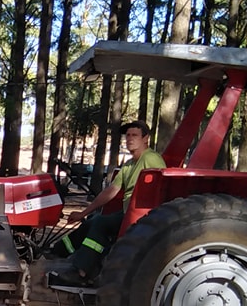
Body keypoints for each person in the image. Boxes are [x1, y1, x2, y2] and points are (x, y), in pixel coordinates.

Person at [50, 121, 166, 286]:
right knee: (91, 220)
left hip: (144, 217)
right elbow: (111, 190)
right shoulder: (129, 164)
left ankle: (83, 272)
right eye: (128, 135)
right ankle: (57, 252)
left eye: (135, 135)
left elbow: (160, 187)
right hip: (128, 212)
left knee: (100, 223)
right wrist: (83, 213)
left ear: (145, 138)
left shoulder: (151, 158)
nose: (130, 139)